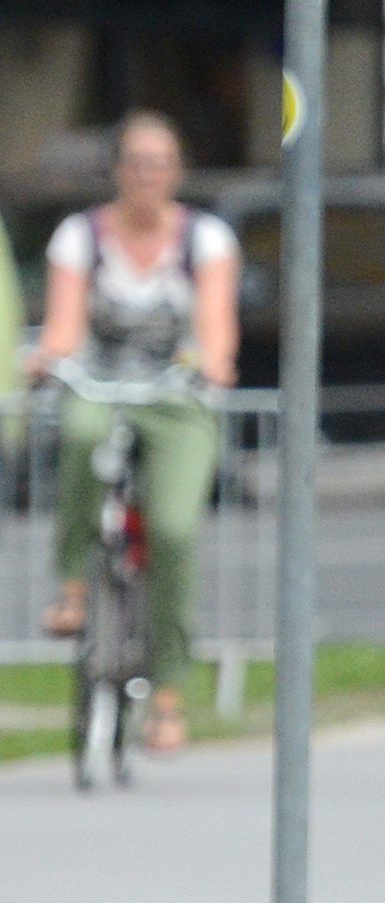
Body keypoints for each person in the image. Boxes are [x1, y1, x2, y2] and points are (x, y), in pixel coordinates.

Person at [26, 112, 240, 752]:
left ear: (177, 171)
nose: (147, 175)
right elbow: (65, 327)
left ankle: (167, 694)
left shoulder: (205, 239)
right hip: (105, 386)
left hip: (176, 398)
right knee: (83, 433)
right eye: (136, 162)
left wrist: (213, 363)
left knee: (174, 529)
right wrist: (50, 359)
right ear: (117, 170)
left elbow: (215, 330)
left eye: (160, 163)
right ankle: (72, 586)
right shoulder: (81, 236)